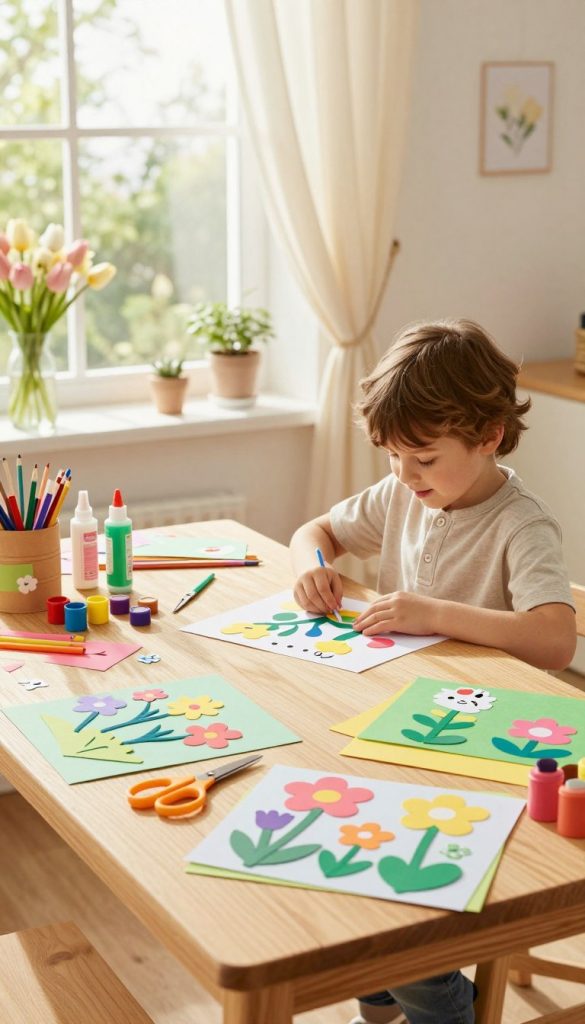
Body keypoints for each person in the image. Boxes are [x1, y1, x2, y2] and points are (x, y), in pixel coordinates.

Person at [290, 318, 576, 1024]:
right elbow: (313, 532)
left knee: (394, 876)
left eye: (420, 458)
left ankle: (437, 1000)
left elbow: (553, 641)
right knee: (338, 833)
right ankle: (384, 987)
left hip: (490, 748)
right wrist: (312, 570)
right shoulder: (399, 496)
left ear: (486, 436)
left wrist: (437, 613)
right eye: (392, 458)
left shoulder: (522, 525)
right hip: (403, 724)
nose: (403, 477)